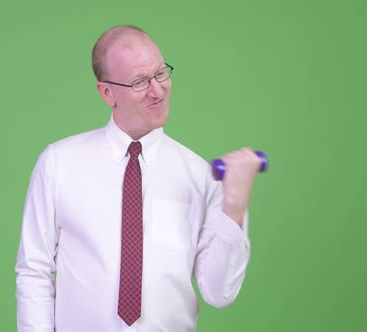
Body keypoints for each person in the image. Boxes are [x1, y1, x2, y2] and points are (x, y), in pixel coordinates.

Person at [15, 25, 262, 332]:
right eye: (140, 81)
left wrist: (234, 208)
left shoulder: (200, 176)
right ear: (107, 92)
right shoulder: (59, 163)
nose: (157, 89)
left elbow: (219, 292)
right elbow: (34, 270)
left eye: (161, 73)